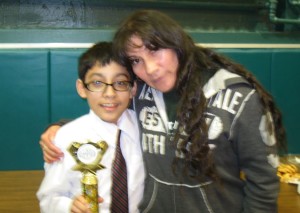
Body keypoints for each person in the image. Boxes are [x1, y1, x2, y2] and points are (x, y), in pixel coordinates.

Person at [40, 10, 287, 213]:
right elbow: (111, 109)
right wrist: (61, 128)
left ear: (176, 43)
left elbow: (263, 183)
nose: (150, 68)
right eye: (136, 60)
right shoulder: (142, 94)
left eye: (154, 49)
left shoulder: (237, 98)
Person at [37, 41, 145, 213]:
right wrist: (68, 206)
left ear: (133, 89)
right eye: (97, 83)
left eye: (120, 83)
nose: (109, 93)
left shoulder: (146, 129)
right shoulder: (66, 138)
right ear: (81, 88)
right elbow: (48, 199)